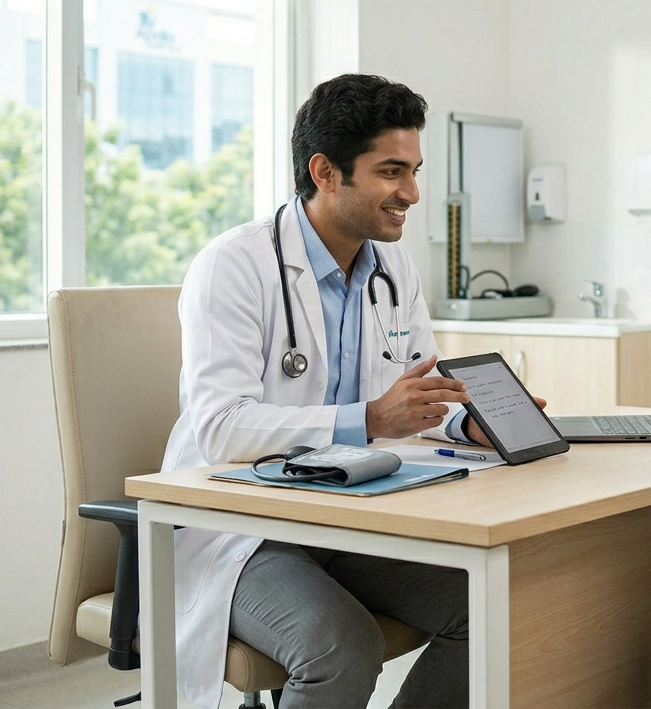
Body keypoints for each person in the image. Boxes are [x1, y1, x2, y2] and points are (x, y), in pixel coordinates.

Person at [162, 74, 498, 709]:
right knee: (340, 646)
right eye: (391, 172)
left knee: (489, 600)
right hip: (243, 525)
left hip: (350, 517)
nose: (412, 193)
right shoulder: (232, 266)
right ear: (325, 171)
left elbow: (414, 397)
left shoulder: (392, 267)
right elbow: (220, 429)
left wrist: (467, 426)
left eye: (415, 171)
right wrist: (367, 418)